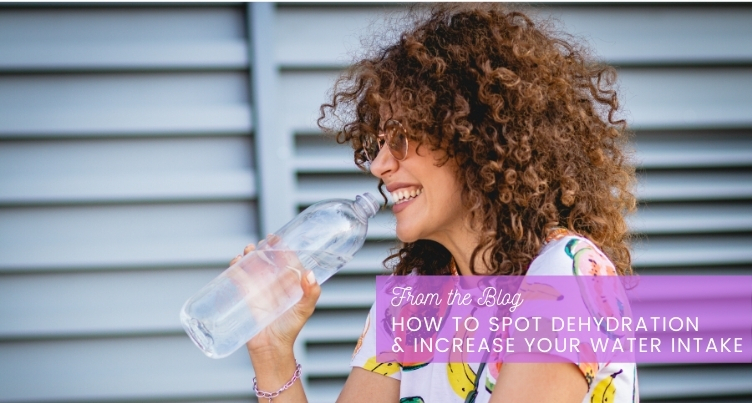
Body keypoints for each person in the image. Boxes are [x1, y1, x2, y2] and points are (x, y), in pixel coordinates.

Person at [234, 4, 638, 402]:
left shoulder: (566, 275)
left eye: (399, 138)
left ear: (475, 138)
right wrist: (273, 355)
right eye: (377, 144)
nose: (378, 165)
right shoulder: (412, 300)